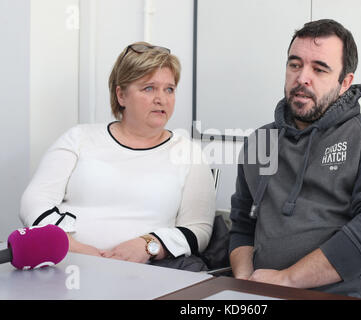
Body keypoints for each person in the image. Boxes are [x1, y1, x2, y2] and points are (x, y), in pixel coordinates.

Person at [229, 19, 361, 299]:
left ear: (345, 82)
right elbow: (242, 226)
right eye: (295, 65)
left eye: (319, 69)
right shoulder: (260, 142)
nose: (302, 78)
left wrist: (287, 279)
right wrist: (246, 282)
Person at [20, 42, 216, 270]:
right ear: (121, 95)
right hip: (68, 264)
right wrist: (76, 247)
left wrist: (148, 245)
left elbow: (198, 231)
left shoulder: (188, 152)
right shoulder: (79, 138)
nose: (161, 99)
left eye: (169, 89)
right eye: (149, 88)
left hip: (148, 272)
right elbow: (33, 202)